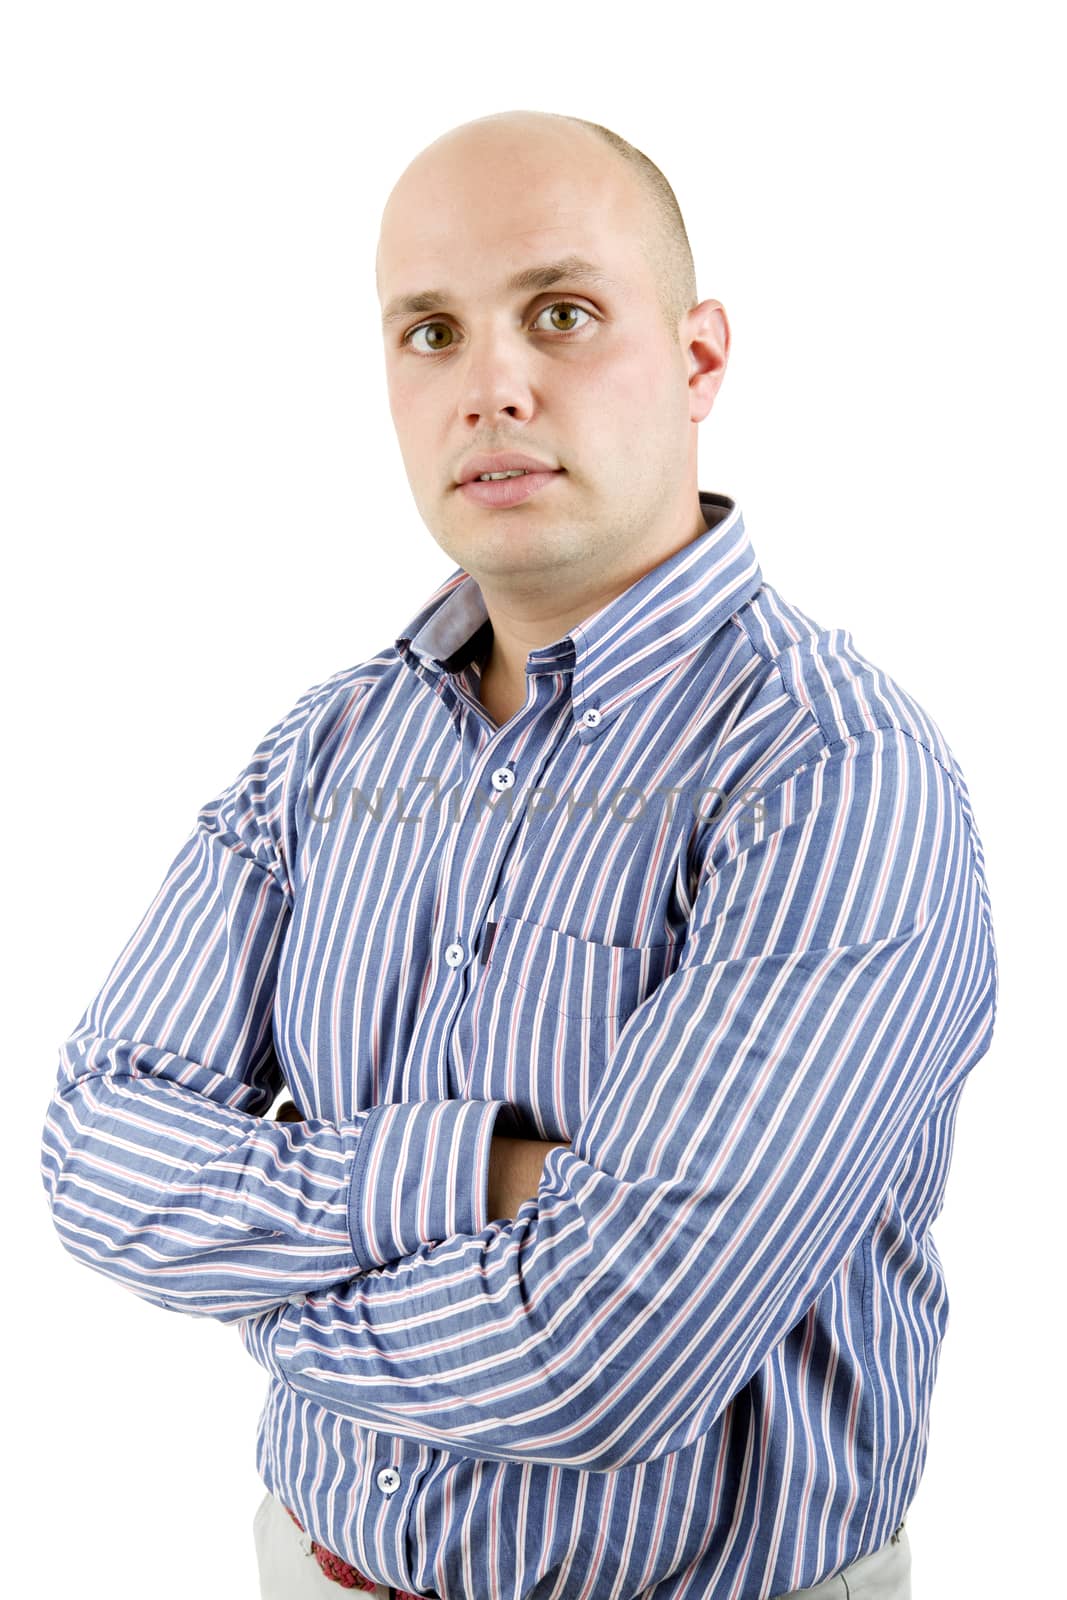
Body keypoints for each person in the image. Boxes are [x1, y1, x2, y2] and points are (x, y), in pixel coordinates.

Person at [39, 107, 998, 1600]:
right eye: (429, 333)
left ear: (697, 360)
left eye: (562, 314)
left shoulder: (831, 780)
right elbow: (97, 1150)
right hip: (306, 1566)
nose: (490, 386)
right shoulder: (331, 748)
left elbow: (604, 1360)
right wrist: (473, 1174)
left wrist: (257, 1300)